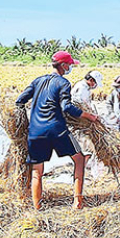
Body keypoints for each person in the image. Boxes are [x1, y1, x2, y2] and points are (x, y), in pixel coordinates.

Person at [16, 51, 99, 210]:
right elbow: (66, 107)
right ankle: (77, 202)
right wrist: (88, 116)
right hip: (57, 130)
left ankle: (37, 208)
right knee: (79, 159)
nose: (70, 68)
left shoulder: (37, 81)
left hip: (35, 132)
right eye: (70, 65)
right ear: (63, 65)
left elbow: (19, 101)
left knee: (37, 171)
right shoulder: (63, 83)